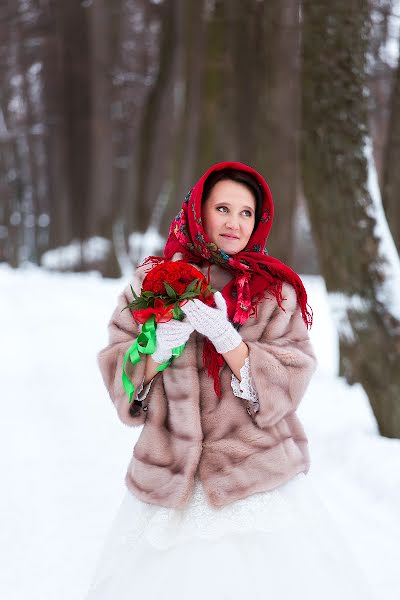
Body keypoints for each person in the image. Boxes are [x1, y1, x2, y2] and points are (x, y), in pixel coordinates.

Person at [85, 161, 375, 600]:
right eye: (222, 208)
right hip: (169, 478)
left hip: (255, 475)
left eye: (246, 213)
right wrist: (155, 349)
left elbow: (293, 377)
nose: (234, 223)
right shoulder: (151, 283)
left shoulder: (276, 292)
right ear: (199, 211)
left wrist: (229, 341)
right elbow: (118, 373)